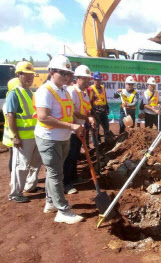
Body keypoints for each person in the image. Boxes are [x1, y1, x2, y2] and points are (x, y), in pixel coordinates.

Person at [34, 55, 84, 224]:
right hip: (49, 138)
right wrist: (71, 127)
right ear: (51, 72)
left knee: (55, 171)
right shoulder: (45, 91)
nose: (66, 76)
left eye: (68, 73)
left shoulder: (63, 90)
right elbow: (43, 117)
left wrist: (77, 125)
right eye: (62, 73)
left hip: (63, 138)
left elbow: (69, 114)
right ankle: (62, 210)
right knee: (56, 174)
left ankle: (50, 203)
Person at [6, 62, 42, 203]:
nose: (29, 78)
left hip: (35, 135)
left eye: (31, 75)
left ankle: (30, 186)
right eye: (25, 75)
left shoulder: (30, 93)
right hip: (23, 137)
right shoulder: (14, 93)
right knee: (21, 166)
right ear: (18, 75)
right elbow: (11, 116)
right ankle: (15, 193)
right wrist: (15, 136)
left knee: (35, 164)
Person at [63, 65, 96, 194]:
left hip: (81, 128)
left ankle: (74, 177)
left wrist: (89, 118)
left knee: (76, 155)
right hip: (72, 129)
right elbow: (72, 112)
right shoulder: (71, 91)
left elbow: (86, 109)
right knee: (69, 156)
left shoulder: (84, 92)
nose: (87, 82)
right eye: (84, 79)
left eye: (88, 80)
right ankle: (66, 183)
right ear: (77, 78)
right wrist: (87, 119)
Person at [3, 77, 20, 174]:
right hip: (12, 135)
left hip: (13, 134)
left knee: (15, 157)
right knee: (14, 157)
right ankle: (13, 177)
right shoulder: (8, 104)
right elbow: (10, 117)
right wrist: (15, 136)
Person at [88, 71, 109, 145]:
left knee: (106, 128)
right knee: (95, 130)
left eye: (100, 79)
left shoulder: (103, 88)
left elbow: (105, 98)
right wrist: (91, 113)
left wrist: (107, 107)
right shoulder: (91, 89)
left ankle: (107, 142)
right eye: (97, 80)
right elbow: (89, 101)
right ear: (94, 80)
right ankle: (97, 143)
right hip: (95, 111)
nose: (99, 81)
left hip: (103, 111)